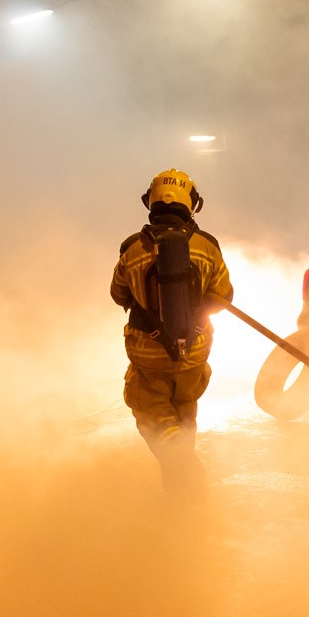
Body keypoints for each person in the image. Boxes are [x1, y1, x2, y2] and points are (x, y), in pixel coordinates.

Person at [111, 169, 233, 503]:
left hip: (149, 357)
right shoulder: (207, 248)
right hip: (193, 356)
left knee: (152, 416)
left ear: (151, 201)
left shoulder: (133, 250)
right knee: (184, 412)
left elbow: (118, 294)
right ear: (191, 202)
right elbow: (223, 296)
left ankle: (183, 474)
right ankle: (182, 485)